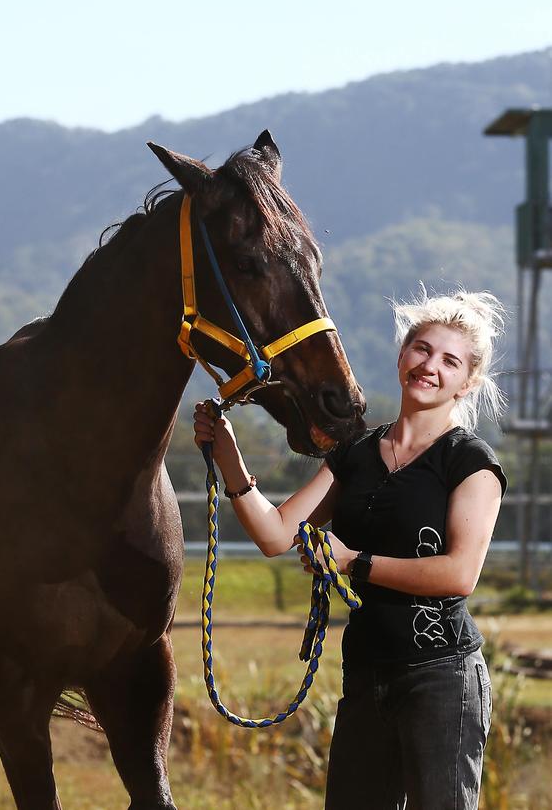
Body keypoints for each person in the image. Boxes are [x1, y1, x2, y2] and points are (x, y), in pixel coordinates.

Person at [193, 288, 507, 810]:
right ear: (402, 354)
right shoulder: (356, 453)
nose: (430, 366)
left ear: (467, 381)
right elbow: (275, 535)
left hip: (442, 679)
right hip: (365, 673)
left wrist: (352, 561)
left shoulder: (470, 461)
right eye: (421, 349)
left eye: (450, 361)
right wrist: (228, 456)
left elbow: (458, 575)